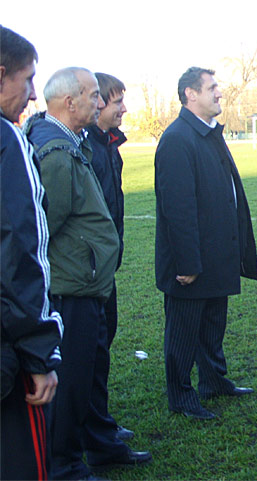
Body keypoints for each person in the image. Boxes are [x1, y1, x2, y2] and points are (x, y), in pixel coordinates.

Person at [25, 67, 151, 480]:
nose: (100, 104)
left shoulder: (69, 142)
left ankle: (87, 448)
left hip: (85, 284)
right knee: (72, 383)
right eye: (95, 95)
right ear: (69, 102)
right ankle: (63, 466)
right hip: (71, 289)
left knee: (86, 376)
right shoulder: (57, 153)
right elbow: (45, 229)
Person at [155, 67, 257, 420]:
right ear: (190, 94)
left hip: (217, 254)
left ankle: (214, 381)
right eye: (212, 88)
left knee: (212, 326)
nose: (219, 93)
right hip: (193, 262)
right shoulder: (177, 138)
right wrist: (187, 263)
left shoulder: (208, 134)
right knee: (184, 332)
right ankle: (180, 396)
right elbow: (177, 209)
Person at [0, 26, 62, 481]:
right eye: (28, 78)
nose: (33, 93)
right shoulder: (7, 140)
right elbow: (21, 249)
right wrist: (39, 354)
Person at [86, 72, 133, 441]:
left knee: (104, 344)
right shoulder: (83, 147)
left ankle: (98, 421)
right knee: (91, 349)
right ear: (97, 102)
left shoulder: (108, 145)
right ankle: (93, 432)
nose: (123, 109)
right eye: (117, 101)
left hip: (105, 267)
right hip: (86, 271)